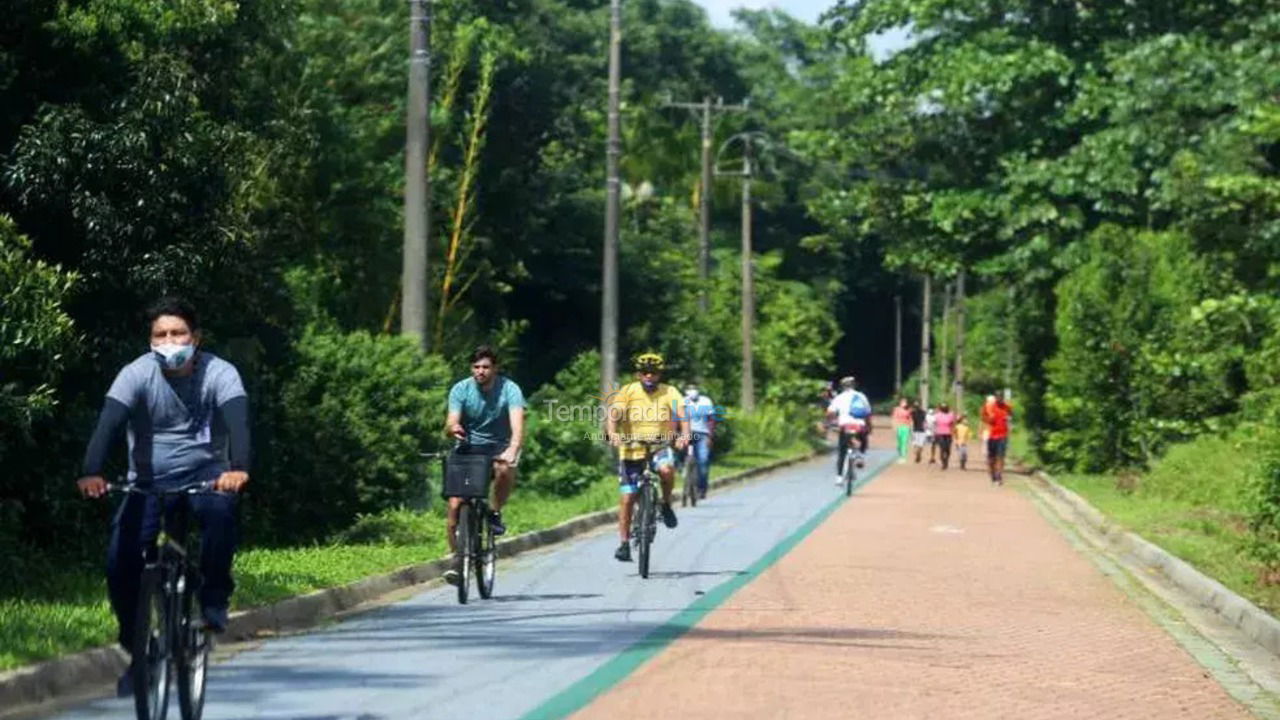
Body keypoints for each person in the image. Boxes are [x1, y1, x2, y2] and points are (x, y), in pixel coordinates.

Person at [77, 297, 250, 696]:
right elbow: (109, 422)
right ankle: (137, 648)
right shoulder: (135, 374)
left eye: (178, 333)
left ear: (196, 338)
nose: (169, 341)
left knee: (220, 515)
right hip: (148, 482)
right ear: (150, 340)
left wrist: (237, 467)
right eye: (161, 334)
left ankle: (213, 601)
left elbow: (239, 420)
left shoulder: (219, 373)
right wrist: (90, 471)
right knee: (120, 561)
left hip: (206, 476)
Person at [443, 346, 525, 584]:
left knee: (504, 469)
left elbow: (518, 425)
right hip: (468, 447)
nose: (480, 371)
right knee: (455, 505)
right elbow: (451, 421)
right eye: (476, 367)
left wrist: (512, 449)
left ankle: (495, 512)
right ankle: (456, 560)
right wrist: (453, 428)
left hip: (500, 445)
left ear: (495, 369)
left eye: (486, 367)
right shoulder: (460, 389)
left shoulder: (510, 389)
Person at [606, 353, 690, 562]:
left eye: (654, 372)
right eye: (645, 372)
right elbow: (613, 416)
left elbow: (682, 414)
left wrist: (685, 435)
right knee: (627, 498)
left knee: (666, 470)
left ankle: (666, 504)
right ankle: (624, 544)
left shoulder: (669, 391)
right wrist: (614, 434)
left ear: (660, 374)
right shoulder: (627, 391)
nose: (649, 376)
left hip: (658, 445)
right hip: (631, 448)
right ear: (638, 374)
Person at [826, 376, 871, 485]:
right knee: (864, 438)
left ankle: (839, 477)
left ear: (842, 387)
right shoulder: (861, 396)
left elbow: (830, 412)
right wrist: (869, 426)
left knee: (842, 451)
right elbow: (868, 412)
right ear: (854, 385)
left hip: (845, 426)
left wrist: (829, 422)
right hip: (859, 425)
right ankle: (861, 455)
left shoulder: (839, 398)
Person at [682, 383, 717, 499]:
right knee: (683, 456)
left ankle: (701, 488)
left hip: (702, 434)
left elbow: (711, 420)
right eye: (689, 388)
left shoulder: (706, 401)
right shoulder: (683, 401)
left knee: (703, 460)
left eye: (694, 388)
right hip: (688, 435)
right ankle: (685, 474)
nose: (692, 391)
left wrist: (710, 436)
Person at [981, 394, 1014, 485]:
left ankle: (999, 475)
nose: (1000, 400)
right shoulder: (989, 406)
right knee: (992, 458)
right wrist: (988, 420)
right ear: (996, 399)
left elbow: (1011, 413)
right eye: (998, 398)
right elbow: (983, 416)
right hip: (991, 435)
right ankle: (993, 474)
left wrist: (1008, 417)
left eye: (1001, 399)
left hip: (1002, 435)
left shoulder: (1006, 406)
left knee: (1001, 456)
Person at [934, 403, 956, 470]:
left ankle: (946, 460)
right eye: (943, 407)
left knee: (948, 450)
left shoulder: (950, 415)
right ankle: (943, 462)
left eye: (945, 407)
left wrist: (953, 431)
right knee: (942, 449)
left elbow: (953, 424)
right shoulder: (937, 415)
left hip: (948, 434)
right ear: (941, 409)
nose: (944, 409)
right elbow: (935, 423)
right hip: (940, 434)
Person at [891, 397, 912, 464]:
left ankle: (903, 457)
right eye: (903, 402)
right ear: (900, 403)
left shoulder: (908, 410)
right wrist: (894, 426)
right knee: (899, 443)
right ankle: (900, 455)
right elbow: (894, 418)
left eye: (905, 402)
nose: (904, 404)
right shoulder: (896, 409)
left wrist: (911, 427)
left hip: (906, 427)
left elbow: (910, 419)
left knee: (904, 442)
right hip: (899, 427)